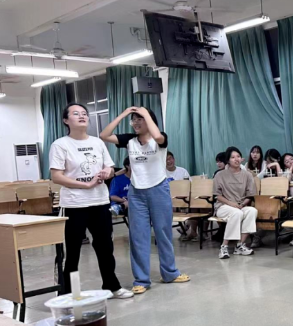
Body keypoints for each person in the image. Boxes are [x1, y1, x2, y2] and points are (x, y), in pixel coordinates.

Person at [100, 107, 190, 294]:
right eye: (134, 119)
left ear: (150, 120)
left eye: (139, 119)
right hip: (136, 193)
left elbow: (157, 136)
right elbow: (104, 135)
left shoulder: (160, 139)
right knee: (138, 237)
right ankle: (141, 279)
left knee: (163, 233)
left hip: (159, 190)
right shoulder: (129, 141)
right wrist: (125, 113)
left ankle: (170, 273)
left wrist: (145, 113)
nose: (136, 122)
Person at [50, 103, 132, 299]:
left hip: (99, 202)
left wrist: (107, 172)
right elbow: (56, 177)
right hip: (74, 204)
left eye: (84, 113)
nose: (82, 116)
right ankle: (68, 293)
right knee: (73, 252)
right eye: (75, 113)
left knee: (105, 247)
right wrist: (85, 185)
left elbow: (110, 167)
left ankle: (111, 286)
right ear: (66, 120)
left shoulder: (97, 142)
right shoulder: (60, 144)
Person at [213, 147, 258, 259]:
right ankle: (224, 247)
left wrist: (242, 205)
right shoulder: (220, 175)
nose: (236, 159)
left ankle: (240, 245)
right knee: (237, 213)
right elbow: (217, 195)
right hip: (223, 206)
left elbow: (250, 195)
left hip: (240, 206)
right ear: (228, 160)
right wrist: (231, 203)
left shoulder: (247, 175)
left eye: (238, 156)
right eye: (233, 157)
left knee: (252, 211)